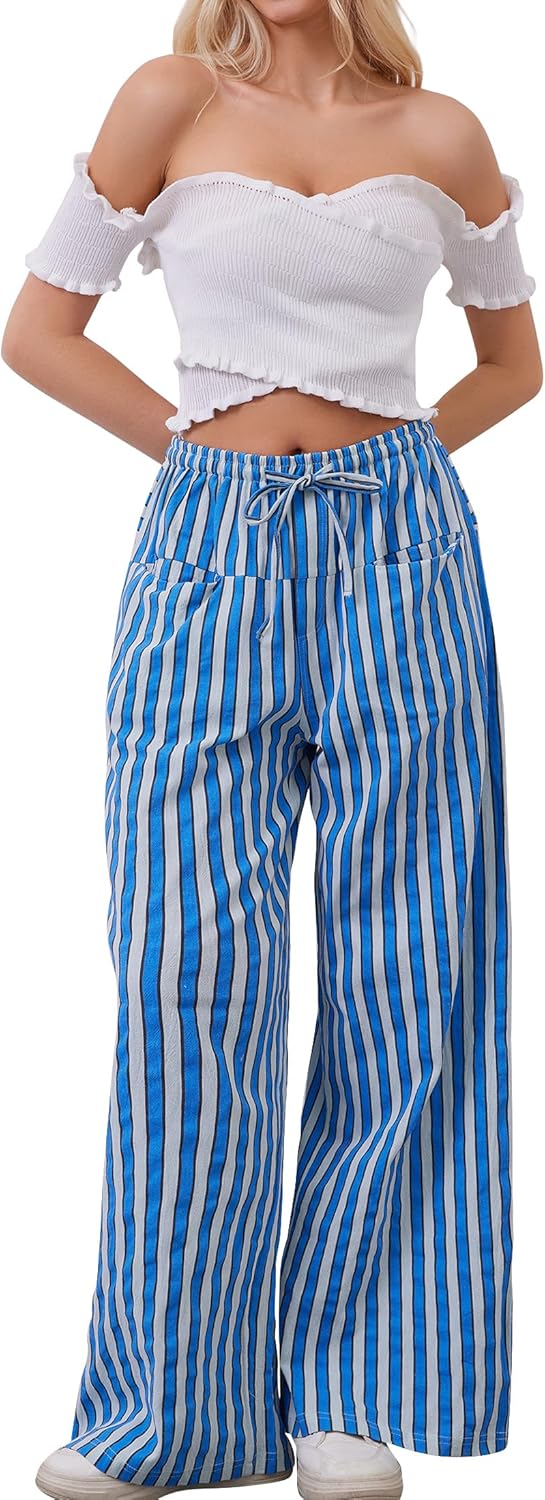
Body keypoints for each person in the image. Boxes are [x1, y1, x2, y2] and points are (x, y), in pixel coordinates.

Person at [2, 2, 541, 1498]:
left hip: (403, 562)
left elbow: (514, 365)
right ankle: (167, 1410)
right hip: (209, 555)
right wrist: (198, 458)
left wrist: (396, 464)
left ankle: (356, 1392)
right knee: (186, 971)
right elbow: (37, 332)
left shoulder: (442, 132)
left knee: (411, 969)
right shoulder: (165, 98)